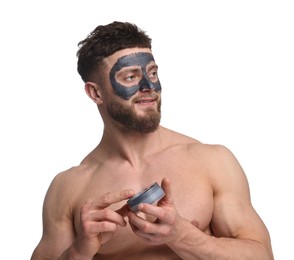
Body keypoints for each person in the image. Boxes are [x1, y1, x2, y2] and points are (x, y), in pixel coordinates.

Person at [31, 21, 274, 259]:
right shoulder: (69, 187)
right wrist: (79, 252)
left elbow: (263, 256)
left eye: (152, 73)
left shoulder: (211, 161)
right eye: (130, 77)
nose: (149, 87)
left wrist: (182, 236)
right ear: (96, 93)